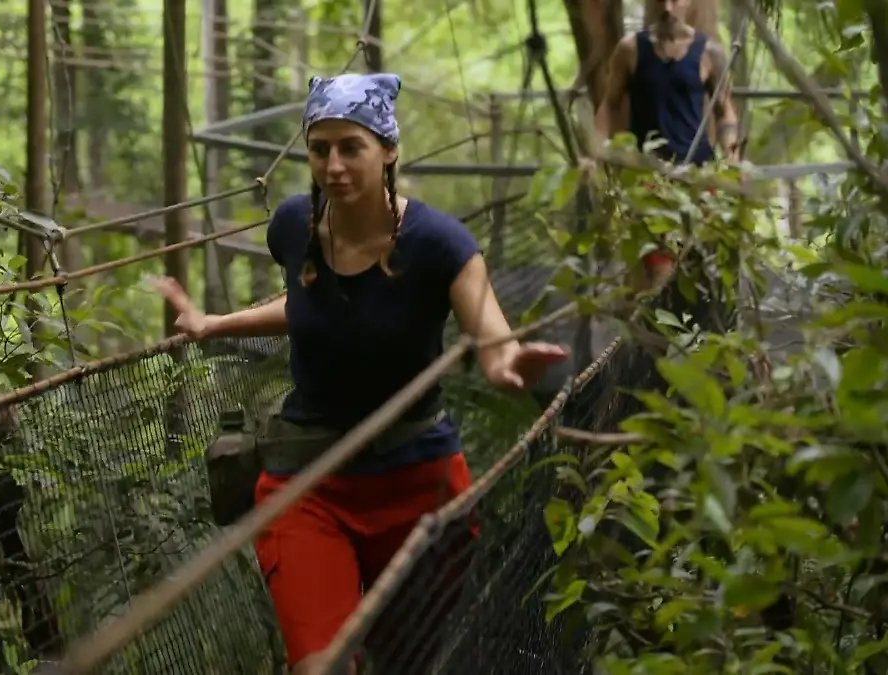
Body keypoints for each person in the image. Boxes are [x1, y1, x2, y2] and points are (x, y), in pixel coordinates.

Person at [153, 72, 567, 674]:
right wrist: (213, 323)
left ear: (389, 150)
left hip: (418, 485)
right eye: (320, 149)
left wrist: (509, 368)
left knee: (408, 660)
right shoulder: (293, 227)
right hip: (307, 482)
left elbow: (492, 341)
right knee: (322, 664)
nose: (334, 165)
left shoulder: (440, 245)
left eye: (352, 147)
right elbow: (307, 304)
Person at [592, 0, 740, 289]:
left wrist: (733, 158)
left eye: (676, 1)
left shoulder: (709, 52)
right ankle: (661, 331)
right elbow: (609, 106)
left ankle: (702, 331)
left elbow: (725, 111)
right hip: (650, 179)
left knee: (700, 268)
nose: (668, 9)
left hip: (698, 178)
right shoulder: (630, 49)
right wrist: (598, 153)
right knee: (660, 273)